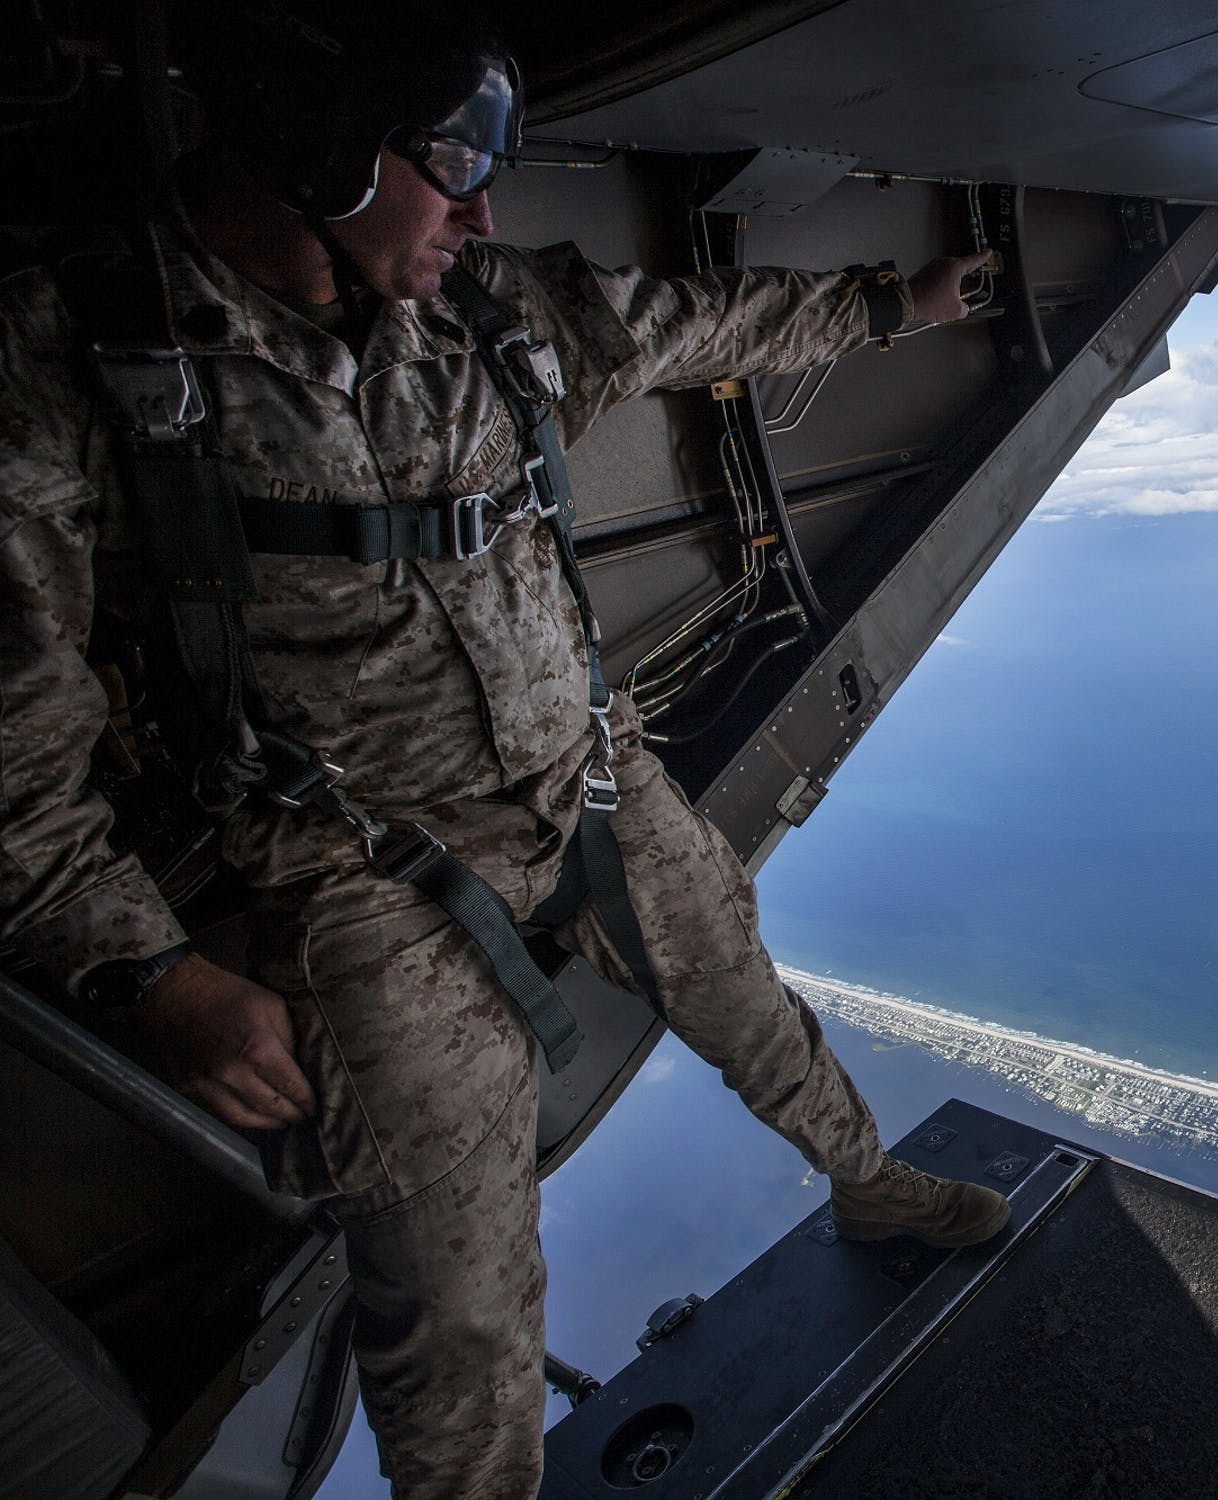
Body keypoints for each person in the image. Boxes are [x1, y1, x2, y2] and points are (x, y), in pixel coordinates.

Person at [0, 8, 1004, 1493]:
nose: (481, 209)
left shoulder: (492, 311)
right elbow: (18, 744)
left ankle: (865, 1186)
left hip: (585, 776)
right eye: (454, 161)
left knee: (744, 997)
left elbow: (692, 325)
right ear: (314, 150)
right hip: (348, 877)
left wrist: (890, 305)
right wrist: (151, 970)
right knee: (457, 1299)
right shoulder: (76, 358)